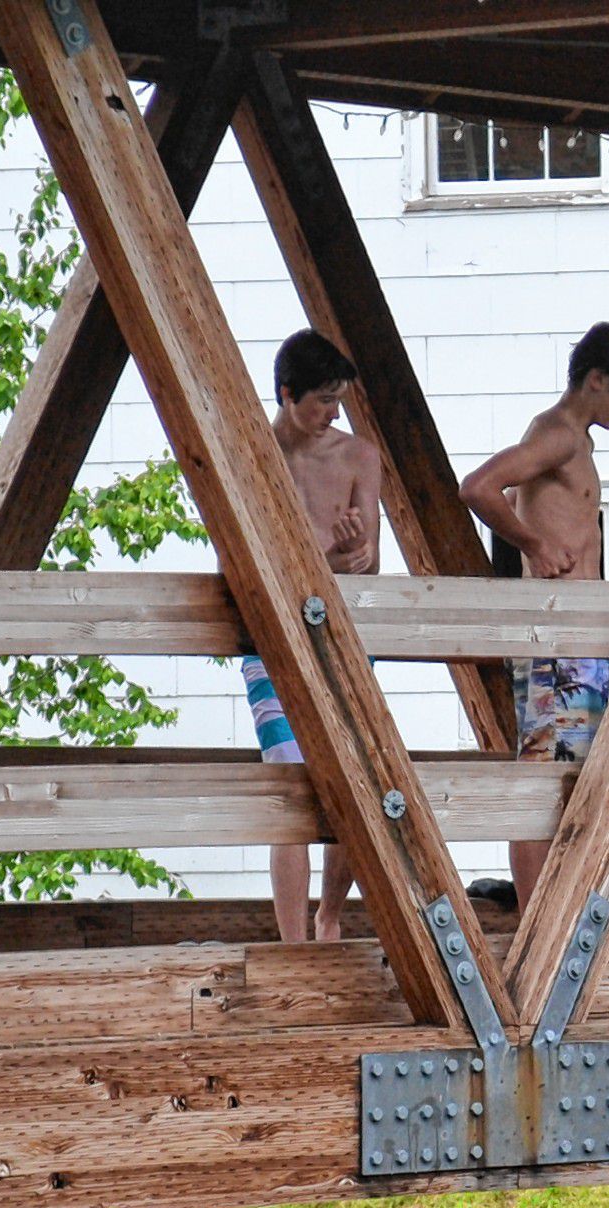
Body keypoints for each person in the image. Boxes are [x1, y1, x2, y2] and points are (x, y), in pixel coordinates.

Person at [458, 322, 609, 910]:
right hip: (558, 641)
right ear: (597, 379)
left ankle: (556, 906)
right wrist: (533, 544)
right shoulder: (558, 435)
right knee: (544, 771)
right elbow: (479, 487)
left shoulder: (576, 441)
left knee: (572, 777)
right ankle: (538, 913)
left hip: (580, 638)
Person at [250, 329, 382, 945]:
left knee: (353, 780)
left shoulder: (359, 456)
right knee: (288, 783)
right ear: (287, 394)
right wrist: (328, 556)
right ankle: (293, 943)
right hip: (273, 638)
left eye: (339, 400)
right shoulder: (255, 453)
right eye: (323, 400)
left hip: (343, 636)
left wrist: (354, 549)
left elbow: (369, 561)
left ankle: (329, 915)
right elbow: (255, 555)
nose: (333, 413)